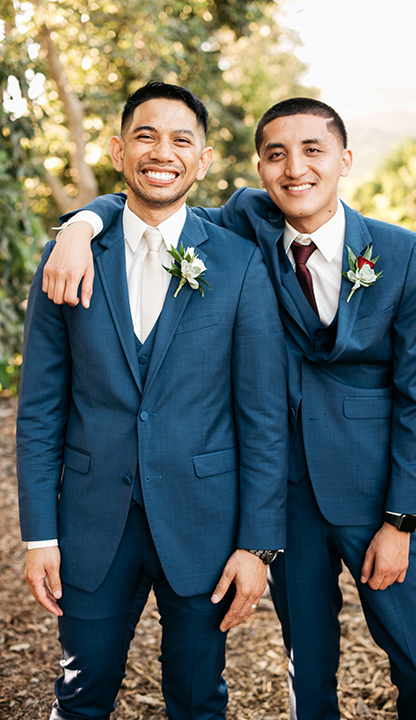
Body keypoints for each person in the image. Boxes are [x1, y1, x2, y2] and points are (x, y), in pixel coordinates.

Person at [41, 96, 416, 720]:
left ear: (344, 159)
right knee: (307, 665)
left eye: (313, 151)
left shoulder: (403, 253)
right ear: (257, 168)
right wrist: (78, 225)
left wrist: (401, 519)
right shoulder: (244, 227)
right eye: (276, 154)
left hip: (372, 491)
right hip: (286, 492)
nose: (295, 169)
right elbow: (149, 201)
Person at [16, 81, 288, 720]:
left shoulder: (241, 263)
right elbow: (40, 410)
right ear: (117, 150)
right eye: (145, 135)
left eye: (180, 140)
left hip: (206, 527)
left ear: (202, 161)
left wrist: (258, 545)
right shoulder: (69, 256)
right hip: (90, 521)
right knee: (81, 695)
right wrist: (38, 538)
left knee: (197, 700)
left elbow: (263, 417)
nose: (161, 151)